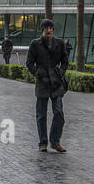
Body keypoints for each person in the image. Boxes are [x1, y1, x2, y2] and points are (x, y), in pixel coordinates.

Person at [26, 19, 68, 153]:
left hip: (56, 82)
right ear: (42, 30)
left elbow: (65, 61)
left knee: (59, 113)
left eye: (51, 28)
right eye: (46, 28)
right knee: (41, 115)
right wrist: (37, 74)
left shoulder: (59, 43)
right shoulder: (35, 44)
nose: (49, 30)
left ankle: (55, 141)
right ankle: (42, 142)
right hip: (42, 82)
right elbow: (29, 63)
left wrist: (60, 73)